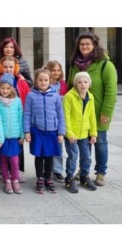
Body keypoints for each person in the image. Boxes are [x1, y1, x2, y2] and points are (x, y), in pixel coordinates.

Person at [67, 31, 117, 186]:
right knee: (83, 143)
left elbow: (111, 90)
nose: (84, 46)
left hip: (98, 111)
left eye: (88, 43)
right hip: (80, 113)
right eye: (81, 44)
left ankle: (100, 172)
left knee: (100, 141)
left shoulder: (105, 65)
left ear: (95, 45)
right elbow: (70, 86)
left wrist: (106, 112)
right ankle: (83, 171)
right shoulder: (74, 64)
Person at [24, 68, 65, 194]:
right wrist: (27, 132)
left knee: (49, 156)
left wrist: (61, 132)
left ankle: (48, 178)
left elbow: (60, 115)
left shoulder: (55, 96)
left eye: (46, 80)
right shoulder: (31, 95)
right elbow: (27, 114)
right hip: (37, 130)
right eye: (40, 80)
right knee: (39, 156)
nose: (43, 82)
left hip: (52, 131)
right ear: (36, 81)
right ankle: (40, 179)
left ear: (50, 81)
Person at [0, 56, 30, 182]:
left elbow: (26, 96)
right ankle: (5, 173)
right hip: (2, 119)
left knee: (16, 151)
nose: (8, 69)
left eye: (11, 67)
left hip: (16, 119)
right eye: (6, 67)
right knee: (2, 151)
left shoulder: (21, 81)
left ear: (16, 68)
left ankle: (16, 171)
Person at [63, 72, 97, 193]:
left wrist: (93, 133)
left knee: (86, 157)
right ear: (75, 84)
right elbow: (65, 117)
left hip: (84, 134)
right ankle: (69, 178)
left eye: (85, 82)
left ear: (89, 84)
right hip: (72, 134)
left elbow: (92, 116)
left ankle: (84, 177)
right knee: (73, 156)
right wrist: (69, 133)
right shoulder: (69, 97)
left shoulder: (91, 97)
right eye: (79, 82)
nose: (83, 84)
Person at [0, 73, 24, 194]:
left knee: (14, 160)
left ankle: (15, 180)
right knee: (3, 160)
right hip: (2, 137)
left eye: (7, 88)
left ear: (12, 88)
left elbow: (20, 117)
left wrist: (22, 134)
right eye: (2, 88)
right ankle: (6, 180)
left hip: (15, 137)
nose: (5, 91)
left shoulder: (17, 101)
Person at [45, 60, 69, 183]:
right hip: (46, 119)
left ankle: (58, 170)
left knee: (58, 146)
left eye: (58, 70)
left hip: (59, 118)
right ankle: (46, 170)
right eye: (53, 70)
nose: (56, 73)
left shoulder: (63, 85)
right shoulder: (43, 82)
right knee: (46, 146)